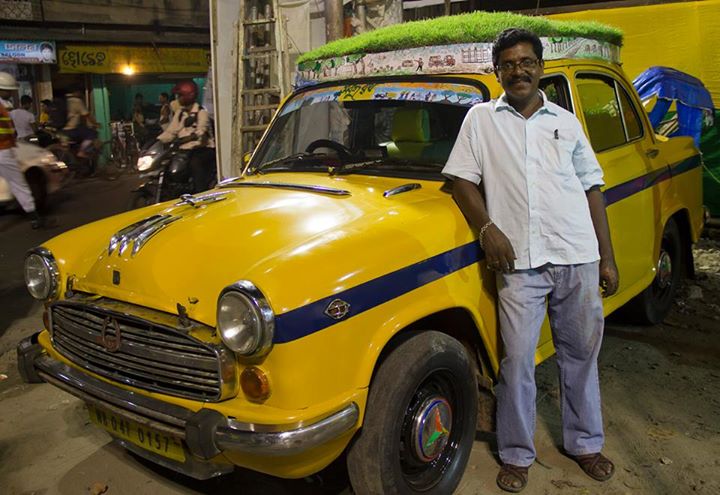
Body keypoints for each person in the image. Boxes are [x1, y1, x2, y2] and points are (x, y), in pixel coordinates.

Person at [442, 28, 619, 493]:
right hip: (518, 263)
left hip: (576, 254)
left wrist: (606, 258)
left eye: (526, 62)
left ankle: (585, 444)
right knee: (517, 361)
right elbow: (461, 181)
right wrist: (487, 229)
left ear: (540, 66)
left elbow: (591, 189)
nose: (517, 71)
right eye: (508, 64)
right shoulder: (481, 119)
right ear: (497, 70)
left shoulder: (565, 121)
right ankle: (517, 453)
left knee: (580, 357)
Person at [0, 72, 44, 228]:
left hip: (6, 149)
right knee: (19, 185)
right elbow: (12, 131)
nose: (11, 93)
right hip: (3, 150)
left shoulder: (7, 108)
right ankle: (35, 218)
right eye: (9, 90)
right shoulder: (3, 107)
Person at [157, 80, 216, 193]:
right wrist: (158, 141)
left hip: (203, 149)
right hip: (184, 149)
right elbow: (171, 131)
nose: (177, 99)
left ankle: (200, 193)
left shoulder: (201, 112)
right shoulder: (180, 113)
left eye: (179, 96)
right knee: (168, 163)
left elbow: (201, 130)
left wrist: (190, 137)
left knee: (195, 162)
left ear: (188, 96)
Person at [63, 90, 98, 158]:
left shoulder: (65, 101)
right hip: (71, 129)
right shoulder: (77, 101)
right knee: (92, 133)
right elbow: (86, 115)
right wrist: (95, 123)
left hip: (62, 129)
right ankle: (81, 152)